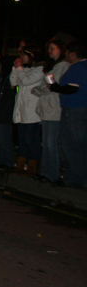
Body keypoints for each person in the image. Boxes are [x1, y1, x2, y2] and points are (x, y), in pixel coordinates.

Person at [49, 42, 87, 188]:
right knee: (82, 145)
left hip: (74, 110)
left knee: (72, 145)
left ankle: (74, 178)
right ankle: (81, 178)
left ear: (73, 54)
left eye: (66, 52)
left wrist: (54, 87)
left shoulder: (77, 68)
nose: (65, 55)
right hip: (83, 109)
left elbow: (71, 89)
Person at [33, 40, 69, 182]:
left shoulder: (63, 66)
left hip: (54, 109)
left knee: (50, 142)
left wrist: (40, 89)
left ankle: (52, 173)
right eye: (48, 48)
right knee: (46, 143)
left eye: (53, 48)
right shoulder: (54, 67)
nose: (50, 51)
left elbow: (50, 86)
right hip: (47, 109)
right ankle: (46, 171)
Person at [10, 44, 45, 176]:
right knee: (23, 140)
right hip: (21, 111)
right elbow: (13, 83)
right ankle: (20, 164)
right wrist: (15, 69)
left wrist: (19, 68)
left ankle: (32, 165)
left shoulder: (40, 70)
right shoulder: (25, 70)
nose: (21, 58)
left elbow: (25, 81)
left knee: (32, 140)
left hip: (32, 113)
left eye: (23, 55)